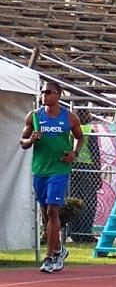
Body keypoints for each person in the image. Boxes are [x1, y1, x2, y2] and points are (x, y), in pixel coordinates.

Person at [20, 81, 84, 273]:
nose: (44, 95)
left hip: (59, 169)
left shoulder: (69, 117)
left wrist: (74, 153)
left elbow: (80, 138)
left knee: (52, 211)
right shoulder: (34, 117)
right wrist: (30, 139)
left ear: (58, 95)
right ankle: (58, 249)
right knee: (44, 211)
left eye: (48, 92)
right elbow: (22, 142)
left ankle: (50, 257)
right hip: (40, 169)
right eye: (42, 92)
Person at [69, 109, 102, 242]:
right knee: (89, 202)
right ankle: (85, 233)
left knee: (74, 201)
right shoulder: (88, 130)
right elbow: (95, 152)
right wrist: (97, 174)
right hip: (87, 167)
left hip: (72, 167)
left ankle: (73, 232)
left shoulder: (70, 130)